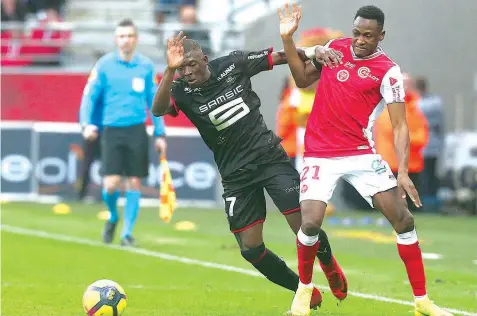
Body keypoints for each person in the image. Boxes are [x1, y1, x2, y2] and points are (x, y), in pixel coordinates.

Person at [278, 4, 452, 316]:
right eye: (357, 32)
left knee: (404, 219)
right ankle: (303, 293)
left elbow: (400, 126)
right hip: (320, 152)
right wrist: (288, 40)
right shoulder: (335, 49)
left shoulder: (388, 71)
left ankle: (422, 302)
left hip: (360, 153)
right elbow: (302, 79)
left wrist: (402, 172)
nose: (359, 40)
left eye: (367, 35)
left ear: (381, 36)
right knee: (310, 222)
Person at [151, 32, 347, 309]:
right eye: (181, 67)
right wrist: (170, 70)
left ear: (204, 59)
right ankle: (303, 290)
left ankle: (329, 265)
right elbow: (158, 109)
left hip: (269, 158)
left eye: (191, 64)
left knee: (305, 226)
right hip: (235, 175)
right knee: (251, 249)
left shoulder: (233, 65)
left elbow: (279, 57)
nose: (187, 71)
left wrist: (314, 51)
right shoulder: (179, 89)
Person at [80, 18, 167, 247]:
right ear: (115, 39)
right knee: (110, 184)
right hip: (111, 130)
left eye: (129, 36)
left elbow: (155, 101)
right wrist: (86, 124)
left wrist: (160, 134)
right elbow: (89, 96)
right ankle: (113, 216)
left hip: (137, 130)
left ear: (136, 39)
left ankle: (127, 233)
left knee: (134, 182)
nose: (125, 40)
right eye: (121, 36)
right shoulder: (104, 65)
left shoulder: (146, 66)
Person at [415, 76, 444, 211]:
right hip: (431, 145)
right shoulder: (436, 102)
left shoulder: (428, 103)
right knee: (429, 176)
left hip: (426, 145)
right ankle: (429, 203)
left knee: (426, 176)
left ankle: (427, 204)